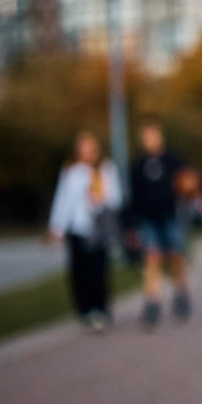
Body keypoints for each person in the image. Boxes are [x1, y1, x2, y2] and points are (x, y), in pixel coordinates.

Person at [47, 131, 122, 333]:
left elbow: (116, 198)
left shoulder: (106, 169)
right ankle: (85, 310)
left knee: (98, 270)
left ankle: (100, 309)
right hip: (78, 228)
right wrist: (57, 226)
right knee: (79, 272)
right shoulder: (72, 171)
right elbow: (63, 200)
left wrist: (101, 199)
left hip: (99, 228)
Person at [127, 117, 193, 330]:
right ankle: (152, 302)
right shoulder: (138, 166)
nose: (150, 139)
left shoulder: (173, 160)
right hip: (148, 219)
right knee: (152, 259)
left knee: (175, 257)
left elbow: (187, 183)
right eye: (146, 135)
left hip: (171, 216)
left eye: (153, 134)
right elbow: (133, 198)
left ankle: (181, 293)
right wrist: (131, 225)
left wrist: (189, 188)